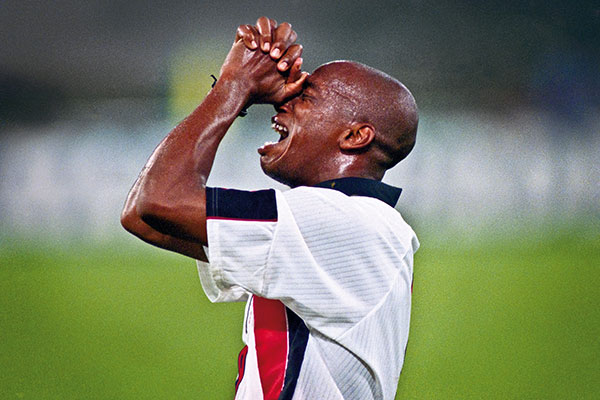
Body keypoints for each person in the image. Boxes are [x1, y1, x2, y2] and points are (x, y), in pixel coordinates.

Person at [121, 16, 419, 400]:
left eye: (305, 97)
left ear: (355, 135)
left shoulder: (342, 222)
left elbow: (159, 199)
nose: (282, 102)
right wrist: (236, 91)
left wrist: (235, 86)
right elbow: (144, 217)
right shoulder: (345, 225)